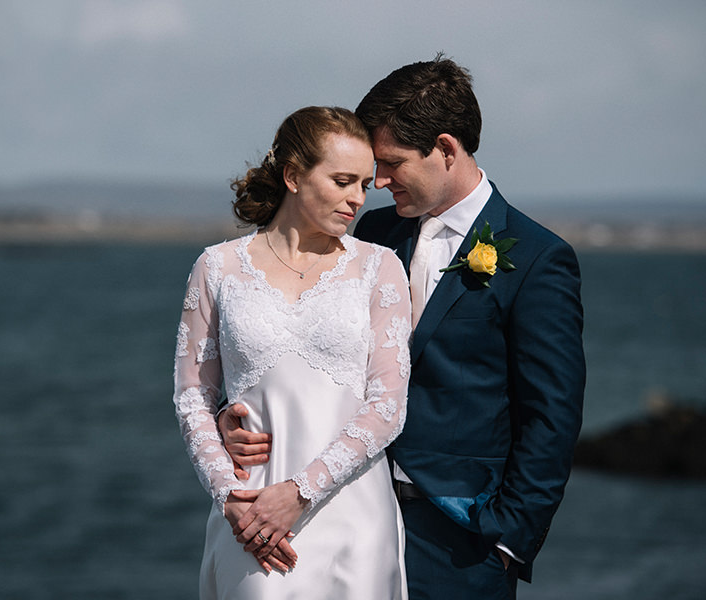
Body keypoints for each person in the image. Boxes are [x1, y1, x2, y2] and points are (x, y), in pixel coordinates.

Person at [220, 56, 586, 599]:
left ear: (446, 148)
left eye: (391, 164)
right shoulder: (374, 231)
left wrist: (508, 541)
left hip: (459, 539)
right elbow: (308, 345)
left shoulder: (538, 258)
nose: (378, 182)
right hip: (342, 512)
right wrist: (237, 413)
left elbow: (551, 414)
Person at [172, 106, 411, 599]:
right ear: (294, 176)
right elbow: (193, 394)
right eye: (343, 180)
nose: (357, 200)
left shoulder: (379, 268)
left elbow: (388, 405)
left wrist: (300, 493)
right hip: (252, 515)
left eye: (364, 185)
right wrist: (229, 496)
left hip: (353, 516)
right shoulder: (216, 268)